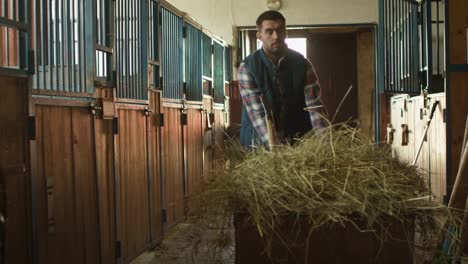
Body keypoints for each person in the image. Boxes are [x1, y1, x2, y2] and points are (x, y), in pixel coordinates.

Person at [238, 10, 327, 149]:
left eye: (280, 30)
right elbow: (257, 113)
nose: (275, 36)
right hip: (259, 145)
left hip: (298, 140)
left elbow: (314, 106)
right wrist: (275, 147)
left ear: (286, 33)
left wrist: (326, 141)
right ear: (259, 36)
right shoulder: (247, 68)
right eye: (269, 31)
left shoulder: (303, 64)